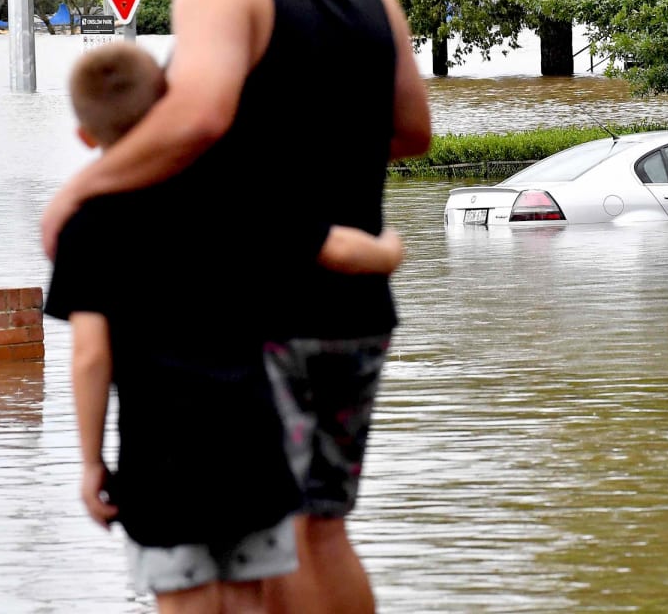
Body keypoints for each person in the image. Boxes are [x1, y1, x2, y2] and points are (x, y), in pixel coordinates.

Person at [41, 0, 432, 614]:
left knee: (280, 530)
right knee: (325, 527)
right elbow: (412, 132)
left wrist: (78, 193)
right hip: (357, 309)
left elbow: (199, 115)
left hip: (266, 309)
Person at [46, 42, 406, 614]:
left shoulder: (88, 227)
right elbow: (333, 246)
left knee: (185, 603)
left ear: (86, 137)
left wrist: (91, 463)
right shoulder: (234, 192)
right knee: (247, 602)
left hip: (158, 461)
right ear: (168, 108)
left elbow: (90, 357)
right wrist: (387, 251)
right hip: (254, 447)